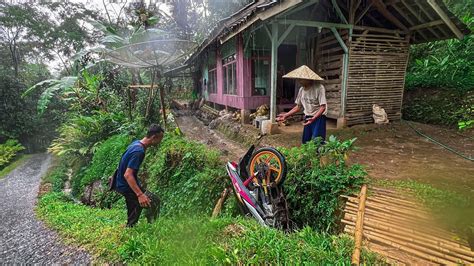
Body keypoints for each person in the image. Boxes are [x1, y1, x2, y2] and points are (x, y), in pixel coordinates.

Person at [114, 124, 164, 227]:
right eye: (160, 138)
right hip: (126, 185)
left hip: (122, 182)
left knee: (151, 202)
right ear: (154, 137)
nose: (160, 141)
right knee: (148, 203)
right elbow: (128, 174)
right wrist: (140, 195)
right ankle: (146, 227)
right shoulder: (139, 151)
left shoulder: (136, 144)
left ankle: (147, 225)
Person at [276, 65, 327, 144]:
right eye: (299, 79)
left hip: (319, 118)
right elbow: (298, 107)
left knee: (318, 141)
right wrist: (286, 115)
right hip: (308, 117)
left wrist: (314, 118)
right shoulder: (301, 90)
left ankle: (318, 156)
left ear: (308, 79)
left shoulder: (319, 88)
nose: (299, 81)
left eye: (301, 79)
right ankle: (307, 156)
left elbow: (323, 107)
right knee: (306, 141)